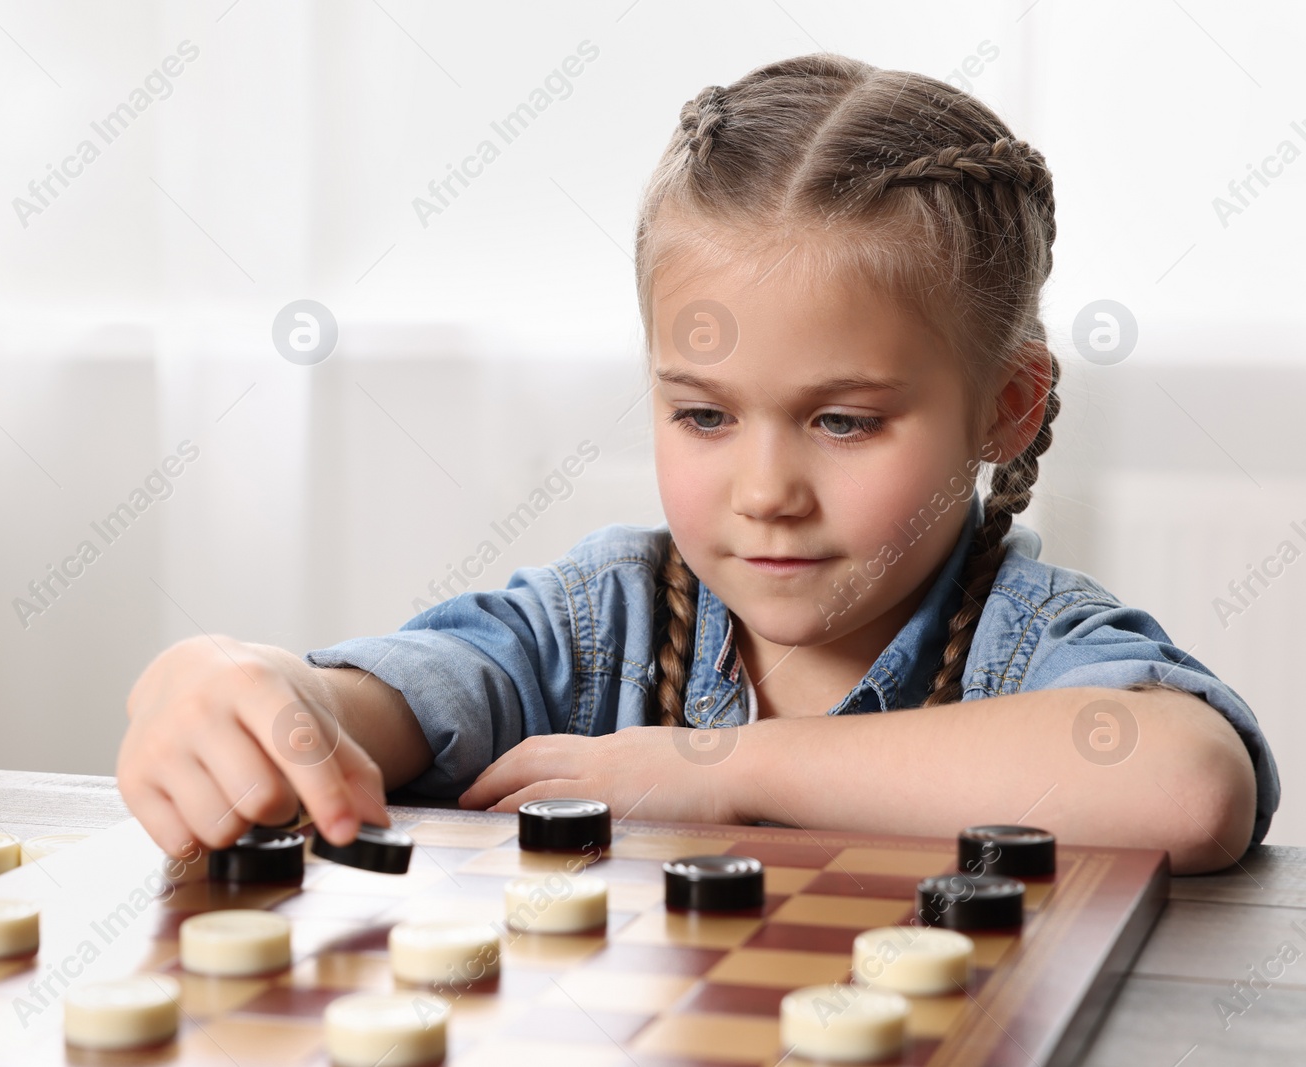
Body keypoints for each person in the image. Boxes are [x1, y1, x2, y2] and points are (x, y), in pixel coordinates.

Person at [118, 54, 1279, 876]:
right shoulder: (597, 621)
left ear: (1005, 407)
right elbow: (387, 703)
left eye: (842, 422)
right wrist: (249, 688)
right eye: (705, 415)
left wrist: (716, 765)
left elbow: (1188, 781)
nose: (764, 488)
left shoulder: (1025, 641)